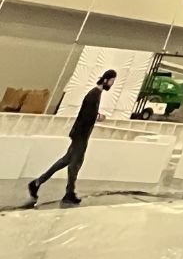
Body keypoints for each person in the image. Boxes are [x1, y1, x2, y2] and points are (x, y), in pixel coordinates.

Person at [28, 69, 117, 205]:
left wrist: (95, 116)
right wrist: (98, 117)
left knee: (65, 161)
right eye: (111, 81)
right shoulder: (94, 95)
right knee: (75, 164)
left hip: (80, 134)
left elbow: (87, 113)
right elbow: (87, 115)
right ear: (106, 80)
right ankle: (69, 193)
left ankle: (37, 182)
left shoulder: (95, 94)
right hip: (81, 135)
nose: (111, 84)